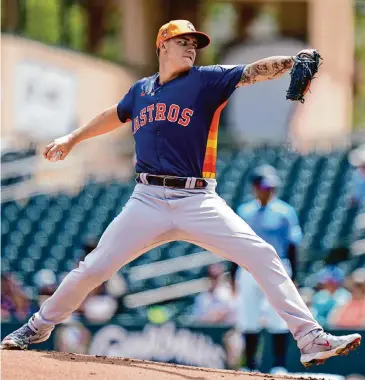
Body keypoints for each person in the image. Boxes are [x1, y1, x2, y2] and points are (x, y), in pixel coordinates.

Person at [1, 19, 361, 368]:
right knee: (93, 268)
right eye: (183, 41)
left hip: (198, 199)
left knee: (263, 255)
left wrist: (289, 63)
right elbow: (115, 114)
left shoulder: (205, 80)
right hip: (147, 200)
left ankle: (310, 338)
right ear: (162, 46)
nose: (191, 47)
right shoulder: (141, 90)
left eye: (194, 43)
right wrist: (72, 138)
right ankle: (37, 327)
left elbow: (252, 71)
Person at [232, 165, 301, 373]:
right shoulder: (244, 211)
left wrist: (294, 276)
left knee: (278, 316)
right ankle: (249, 365)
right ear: (254, 187)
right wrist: (233, 271)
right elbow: (235, 244)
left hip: (277, 267)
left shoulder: (285, 212)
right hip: (248, 267)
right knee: (248, 316)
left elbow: (292, 245)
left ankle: (279, 365)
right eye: (264, 186)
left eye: (271, 187)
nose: (268, 190)